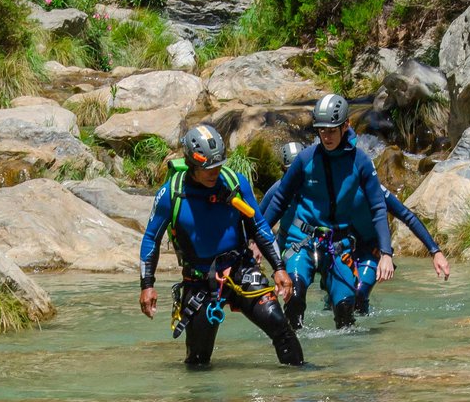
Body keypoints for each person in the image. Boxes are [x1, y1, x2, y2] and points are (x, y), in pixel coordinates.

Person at [139, 125, 302, 367]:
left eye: (218, 165)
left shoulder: (235, 183)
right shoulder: (170, 194)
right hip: (199, 280)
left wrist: (278, 267)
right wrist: (147, 285)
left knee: (280, 325)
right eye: (208, 168)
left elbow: (259, 226)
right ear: (191, 164)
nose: (214, 172)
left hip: (240, 269)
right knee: (198, 360)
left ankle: (301, 386)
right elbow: (151, 238)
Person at [259, 94, 394, 330]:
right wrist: (255, 239)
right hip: (301, 240)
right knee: (295, 293)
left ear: (346, 126)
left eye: (332, 130)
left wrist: (386, 252)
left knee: (345, 313)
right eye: (321, 130)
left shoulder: (361, 162)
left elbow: (378, 207)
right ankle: (293, 352)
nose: (326, 136)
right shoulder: (304, 159)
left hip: (338, 244)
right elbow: (280, 200)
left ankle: (341, 365)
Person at [272, 141, 451, 317]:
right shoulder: (328, 188)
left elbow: (407, 216)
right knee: (336, 302)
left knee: (358, 298)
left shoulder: (373, 190)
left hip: (369, 250)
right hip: (340, 247)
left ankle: (362, 337)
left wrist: (435, 251)